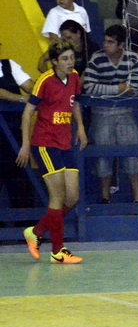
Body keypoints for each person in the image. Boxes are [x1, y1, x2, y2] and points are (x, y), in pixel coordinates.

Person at [16, 39, 88, 264]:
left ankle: (36, 232)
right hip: (45, 143)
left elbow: (74, 102)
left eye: (71, 57)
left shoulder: (75, 76)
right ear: (54, 62)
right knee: (56, 197)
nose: (70, 62)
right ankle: (58, 251)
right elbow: (27, 113)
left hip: (64, 142)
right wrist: (26, 145)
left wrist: (81, 128)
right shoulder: (44, 81)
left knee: (72, 197)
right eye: (64, 59)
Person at [83, 25, 138, 204]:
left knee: (132, 152)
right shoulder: (96, 59)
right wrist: (118, 88)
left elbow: (134, 88)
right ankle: (105, 197)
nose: (105, 44)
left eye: (110, 42)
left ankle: (137, 197)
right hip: (101, 113)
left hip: (125, 112)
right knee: (103, 156)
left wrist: (107, 90)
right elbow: (89, 87)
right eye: (105, 40)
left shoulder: (132, 59)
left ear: (121, 45)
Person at [0, 58, 35, 209]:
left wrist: (38, 94)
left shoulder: (9, 65)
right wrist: (22, 99)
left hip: (14, 138)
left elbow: (30, 87)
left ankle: (25, 227)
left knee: (21, 186)